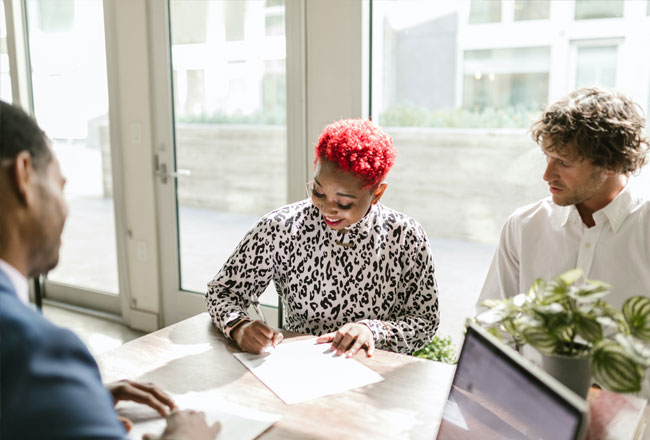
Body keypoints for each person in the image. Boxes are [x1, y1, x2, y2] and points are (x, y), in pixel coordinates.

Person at [0, 100, 221, 440]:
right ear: (23, 174)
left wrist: (67, 403)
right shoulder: (36, 350)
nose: (66, 209)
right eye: (60, 187)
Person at [206, 118, 440, 357]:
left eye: (344, 203)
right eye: (318, 192)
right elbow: (222, 292)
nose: (327, 209)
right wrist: (239, 327)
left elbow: (425, 321)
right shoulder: (280, 227)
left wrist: (373, 329)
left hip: (374, 375)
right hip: (299, 367)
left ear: (377, 193)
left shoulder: (406, 237)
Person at [478, 87, 650, 310]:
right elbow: (491, 320)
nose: (547, 175)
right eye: (548, 158)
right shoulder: (523, 226)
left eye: (564, 162)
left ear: (612, 164)